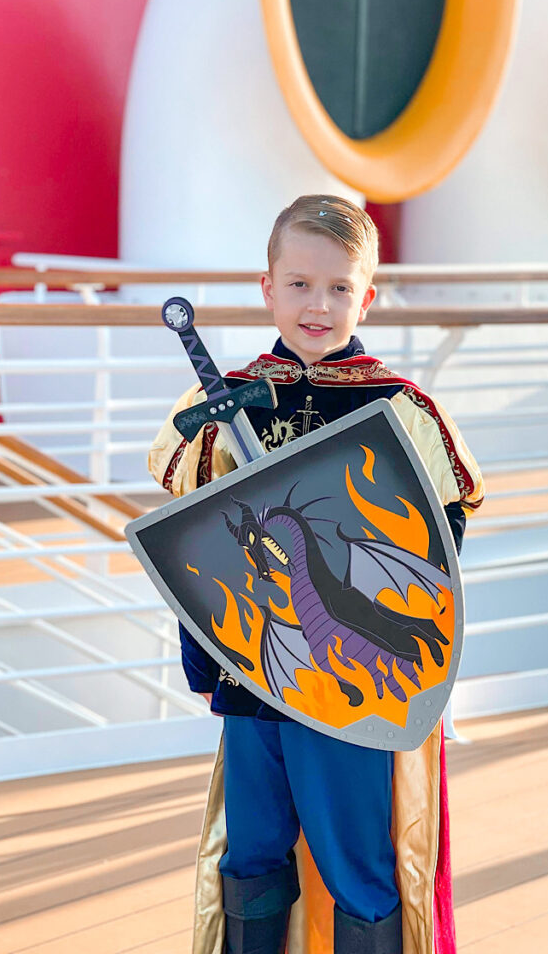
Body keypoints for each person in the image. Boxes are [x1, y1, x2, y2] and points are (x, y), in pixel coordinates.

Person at [149, 195, 484, 954]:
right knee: (253, 857)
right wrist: (204, 657)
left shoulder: (398, 410)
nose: (317, 305)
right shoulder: (222, 403)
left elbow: (440, 545)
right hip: (255, 672)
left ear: (367, 296)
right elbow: (195, 543)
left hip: (351, 689)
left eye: (339, 288)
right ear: (266, 287)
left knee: (357, 868)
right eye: (299, 284)